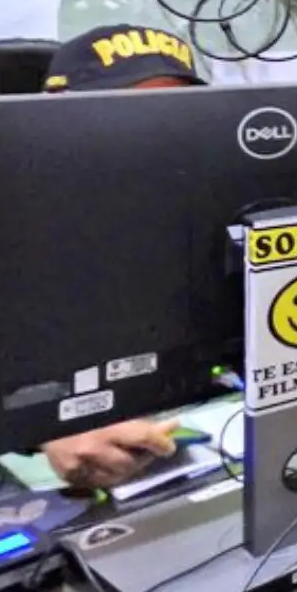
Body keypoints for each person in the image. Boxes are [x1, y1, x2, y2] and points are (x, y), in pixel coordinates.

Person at [35, 24, 206, 489]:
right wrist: (46, 430)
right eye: (134, 107)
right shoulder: (20, 219)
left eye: (178, 109)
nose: (158, 129)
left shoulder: (199, 206)